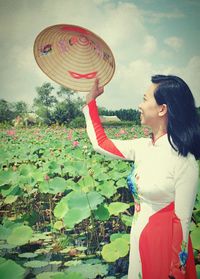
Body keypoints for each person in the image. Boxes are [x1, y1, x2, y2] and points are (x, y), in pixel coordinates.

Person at [82, 75, 200, 279]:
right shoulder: (141, 147)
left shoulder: (184, 159)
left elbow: (182, 220)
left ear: (162, 109)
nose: (139, 105)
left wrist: (177, 270)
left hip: (164, 247)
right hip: (138, 236)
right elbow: (100, 143)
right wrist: (90, 102)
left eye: (145, 99)